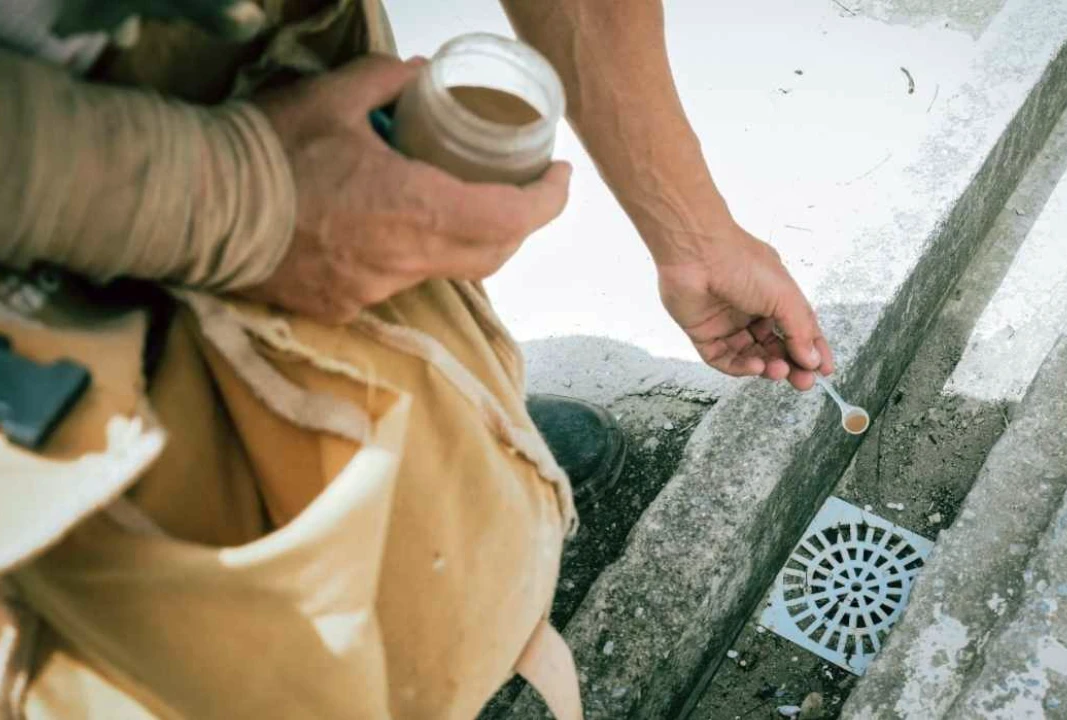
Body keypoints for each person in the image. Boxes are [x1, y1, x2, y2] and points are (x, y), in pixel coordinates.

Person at [0, 1, 835, 717]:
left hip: (301, 97)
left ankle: (446, 473)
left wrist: (691, 233)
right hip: (52, 268)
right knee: (225, 657)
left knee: (446, 457)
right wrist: (239, 198)